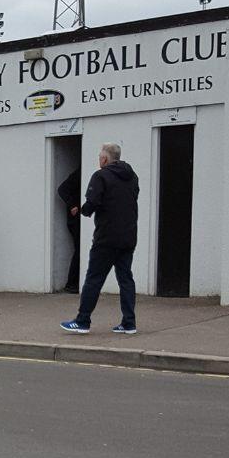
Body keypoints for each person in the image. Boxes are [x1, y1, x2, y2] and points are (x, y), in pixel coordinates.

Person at [61, 142, 140, 335]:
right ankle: (129, 323)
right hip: (128, 236)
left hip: (106, 237)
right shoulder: (132, 176)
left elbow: (91, 204)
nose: (99, 159)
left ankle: (82, 320)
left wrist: (83, 209)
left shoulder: (100, 176)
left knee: (94, 278)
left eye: (99, 156)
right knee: (126, 279)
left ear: (105, 159)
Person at [57, 167, 82, 293]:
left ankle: (73, 283)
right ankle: (72, 283)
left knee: (79, 250)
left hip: (78, 218)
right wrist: (72, 205)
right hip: (75, 219)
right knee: (79, 250)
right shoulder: (78, 174)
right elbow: (62, 189)